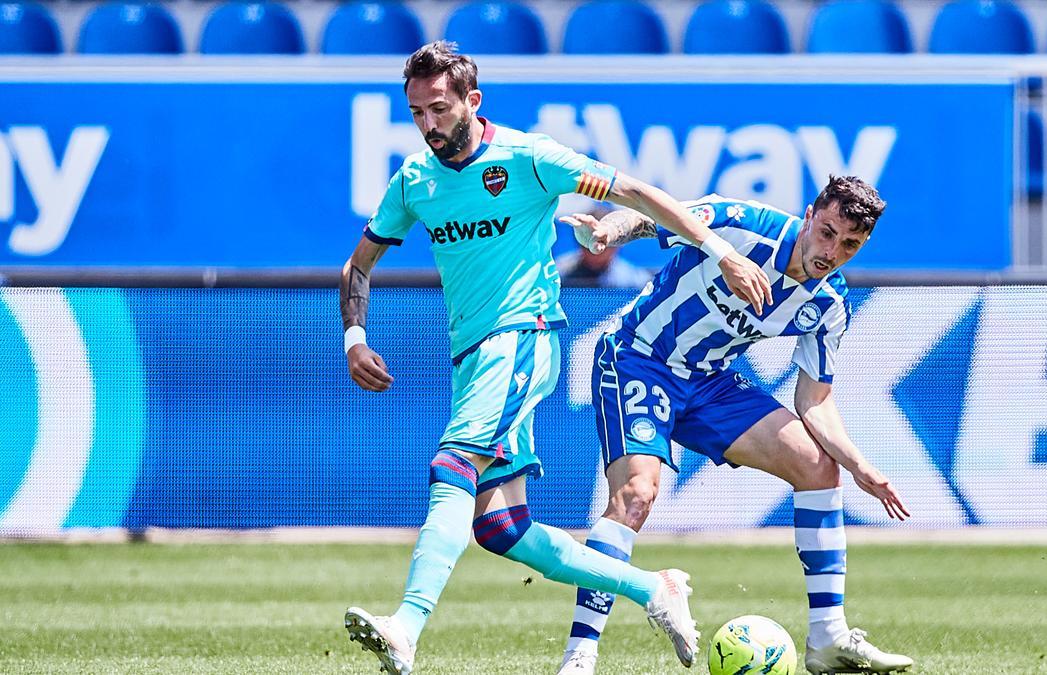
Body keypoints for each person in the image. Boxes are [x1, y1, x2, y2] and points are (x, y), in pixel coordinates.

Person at [337, 41, 774, 675]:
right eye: (415, 113)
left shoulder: (529, 158)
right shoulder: (415, 180)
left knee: (452, 464)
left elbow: (636, 192)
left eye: (438, 108)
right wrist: (354, 337)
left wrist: (721, 252)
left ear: (471, 101)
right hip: (472, 355)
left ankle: (406, 627)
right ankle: (656, 589)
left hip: (521, 336)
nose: (428, 125)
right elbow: (359, 264)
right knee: (501, 527)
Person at [556, 177, 915, 675]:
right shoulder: (747, 225)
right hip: (640, 359)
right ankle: (581, 655)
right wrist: (609, 231)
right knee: (636, 494)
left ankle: (827, 639)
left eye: (849, 244)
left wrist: (859, 465)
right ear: (810, 215)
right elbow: (656, 213)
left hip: (709, 383)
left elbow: (814, 401)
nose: (831, 251)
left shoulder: (829, 302)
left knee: (818, 466)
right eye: (828, 232)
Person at [556, 206, 655, 288]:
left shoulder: (635, 282)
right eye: (588, 246)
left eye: (603, 245)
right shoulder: (556, 276)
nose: (595, 251)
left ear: (617, 246)